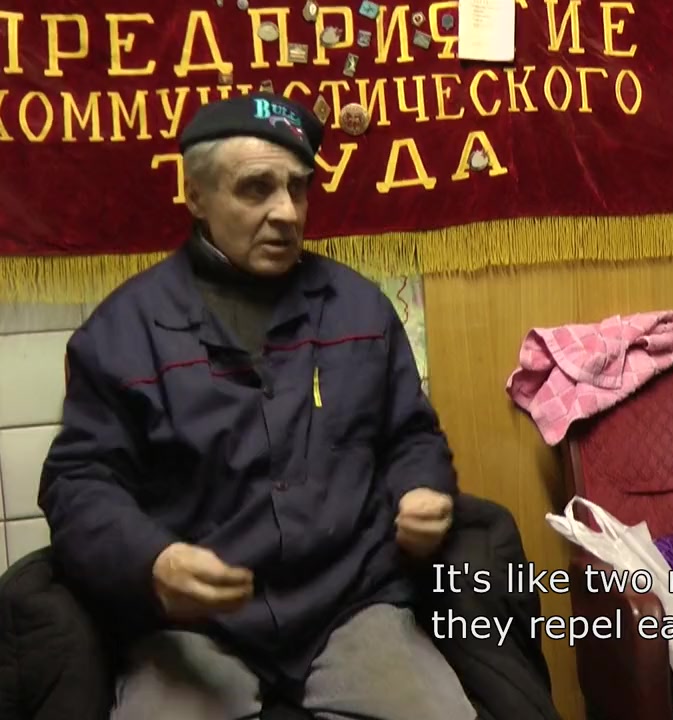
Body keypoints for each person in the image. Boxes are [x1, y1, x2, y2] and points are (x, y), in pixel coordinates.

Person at [37, 93, 476, 720]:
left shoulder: (359, 311)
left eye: (298, 188)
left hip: (349, 603)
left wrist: (422, 488)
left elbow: (410, 435)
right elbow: (80, 482)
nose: (286, 212)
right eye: (256, 189)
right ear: (196, 196)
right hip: (197, 624)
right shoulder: (124, 332)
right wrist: (152, 561)